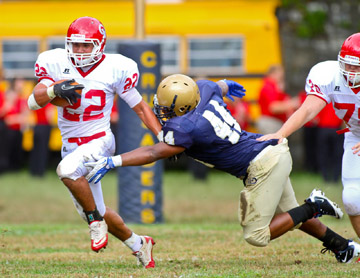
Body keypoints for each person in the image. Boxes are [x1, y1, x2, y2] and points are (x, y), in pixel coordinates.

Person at [85, 74, 360, 263]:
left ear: (182, 109)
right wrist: (228, 84)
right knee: (290, 215)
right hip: (269, 152)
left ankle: (315, 204)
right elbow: (221, 86)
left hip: (262, 164)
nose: (162, 113)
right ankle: (343, 247)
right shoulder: (202, 88)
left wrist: (114, 161)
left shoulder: (186, 129)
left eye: (167, 110)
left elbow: (153, 152)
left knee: (257, 235)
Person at [27, 16, 162, 269]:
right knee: (95, 209)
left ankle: (95, 223)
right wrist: (55, 90)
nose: (79, 50)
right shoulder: (55, 61)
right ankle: (138, 243)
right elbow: (34, 99)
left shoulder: (115, 67)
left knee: (67, 172)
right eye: (75, 45)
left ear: (99, 44)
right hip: (71, 145)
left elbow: (140, 107)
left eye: (85, 45)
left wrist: (162, 136)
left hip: (99, 141)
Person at [258, 33, 360, 240]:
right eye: (346, 65)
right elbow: (307, 110)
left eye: (356, 66)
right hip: (355, 135)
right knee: (352, 198)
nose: (350, 71)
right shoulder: (328, 75)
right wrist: (280, 134)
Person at [256, 65, 300, 134]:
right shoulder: (269, 87)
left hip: (274, 122)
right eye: (281, 76)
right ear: (273, 74)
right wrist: (293, 103)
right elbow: (274, 107)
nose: (282, 79)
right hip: (271, 122)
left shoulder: (274, 87)